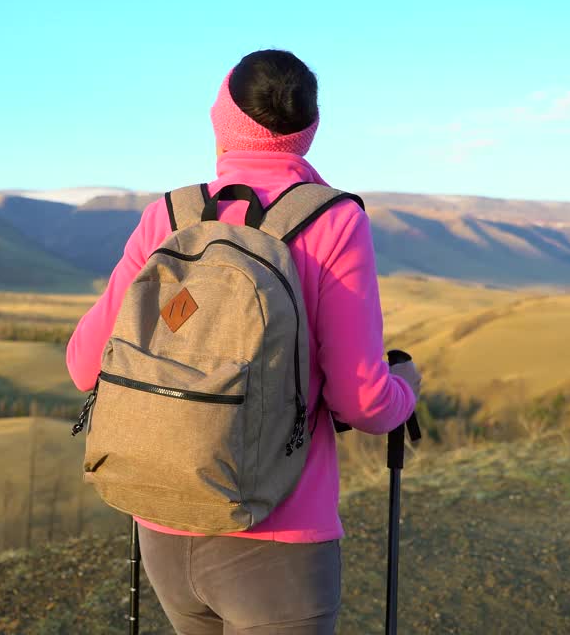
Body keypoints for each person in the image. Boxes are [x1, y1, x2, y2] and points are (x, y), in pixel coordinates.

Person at [65, 49, 421, 634]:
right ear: (307, 130)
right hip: (278, 543)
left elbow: (85, 366)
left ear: (222, 115)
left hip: (162, 521)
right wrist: (405, 387)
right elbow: (364, 402)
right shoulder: (333, 220)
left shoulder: (171, 215)